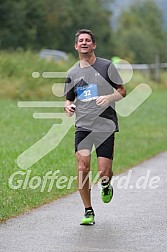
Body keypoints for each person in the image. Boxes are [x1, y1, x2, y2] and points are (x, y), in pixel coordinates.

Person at [64, 29, 126, 225]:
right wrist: (68, 107)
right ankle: (88, 210)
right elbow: (68, 99)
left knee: (103, 173)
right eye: (81, 40)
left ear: (93, 45)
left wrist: (109, 98)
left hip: (105, 125)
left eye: (88, 40)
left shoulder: (106, 66)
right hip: (83, 125)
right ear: (76, 46)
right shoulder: (72, 73)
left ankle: (106, 185)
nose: (84, 43)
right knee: (82, 168)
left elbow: (122, 91)